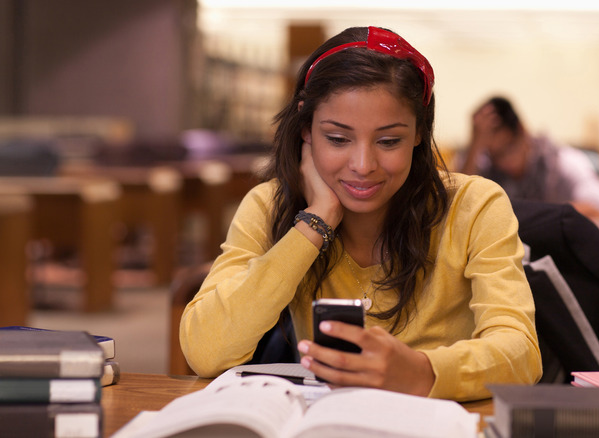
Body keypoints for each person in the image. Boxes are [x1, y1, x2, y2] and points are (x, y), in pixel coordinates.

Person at [179, 26, 542, 402]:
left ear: (419, 132)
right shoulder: (270, 205)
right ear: (306, 128)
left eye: (389, 141)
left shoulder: (475, 206)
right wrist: (316, 221)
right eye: (338, 139)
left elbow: (521, 354)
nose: (363, 165)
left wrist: (422, 372)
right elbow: (206, 351)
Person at [460, 96, 599, 221]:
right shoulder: (485, 166)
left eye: (509, 150)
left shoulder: (563, 161)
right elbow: (458, 205)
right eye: (496, 156)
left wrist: (540, 215)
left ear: (522, 130)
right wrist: (475, 146)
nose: (505, 163)